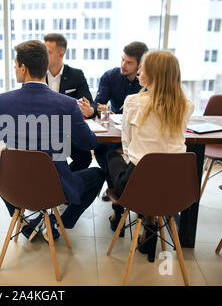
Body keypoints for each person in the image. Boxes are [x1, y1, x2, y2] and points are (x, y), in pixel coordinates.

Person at [0, 40, 105, 243]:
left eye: (15, 66)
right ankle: (56, 223)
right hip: (54, 187)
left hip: (16, 184)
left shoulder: (2, 100)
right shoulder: (67, 104)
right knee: (98, 174)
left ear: (24, 68)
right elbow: (89, 143)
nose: (15, 70)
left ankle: (23, 223)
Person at [106, 50, 194, 262]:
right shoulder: (186, 105)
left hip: (137, 186)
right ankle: (150, 221)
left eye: (143, 68)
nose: (139, 72)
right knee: (155, 173)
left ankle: (120, 213)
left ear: (153, 74)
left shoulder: (134, 102)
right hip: (176, 188)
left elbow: (126, 144)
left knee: (111, 157)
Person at [94, 41, 148, 201]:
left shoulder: (148, 82)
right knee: (101, 148)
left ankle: (128, 188)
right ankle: (114, 186)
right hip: (116, 128)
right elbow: (98, 102)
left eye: (129, 62)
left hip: (140, 131)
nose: (123, 65)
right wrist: (100, 107)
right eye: (122, 60)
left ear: (141, 65)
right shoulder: (110, 76)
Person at [44, 33, 98, 172]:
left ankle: (62, 181)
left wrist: (91, 110)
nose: (43, 55)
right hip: (42, 129)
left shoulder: (76, 75)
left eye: (48, 52)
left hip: (68, 130)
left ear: (61, 54)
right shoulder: (36, 74)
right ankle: (57, 181)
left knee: (85, 157)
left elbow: (90, 104)